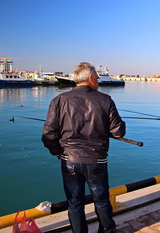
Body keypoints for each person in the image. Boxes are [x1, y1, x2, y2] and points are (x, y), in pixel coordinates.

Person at [42, 62, 126, 233]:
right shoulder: (105, 100)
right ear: (90, 78)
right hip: (96, 161)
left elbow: (48, 135)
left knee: (74, 202)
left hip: (70, 160)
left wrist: (59, 153)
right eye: (96, 77)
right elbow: (118, 132)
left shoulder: (58, 100)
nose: (98, 81)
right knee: (101, 200)